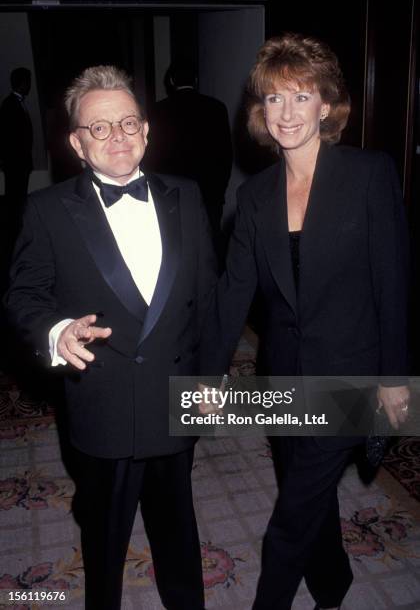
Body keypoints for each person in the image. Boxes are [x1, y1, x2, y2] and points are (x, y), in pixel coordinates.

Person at [200, 33, 410, 610]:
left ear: (326, 104)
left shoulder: (369, 174)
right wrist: (211, 376)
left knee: (289, 518)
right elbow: (232, 293)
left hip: (351, 374)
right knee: (309, 496)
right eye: (273, 99)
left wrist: (396, 377)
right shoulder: (257, 195)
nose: (286, 113)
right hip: (284, 373)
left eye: (300, 96)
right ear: (260, 111)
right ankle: (334, 586)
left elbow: (393, 281)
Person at [4, 65, 217, 610]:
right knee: (104, 534)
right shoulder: (46, 210)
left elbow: (206, 299)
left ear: (146, 130)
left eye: (128, 122)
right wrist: (56, 330)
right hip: (103, 403)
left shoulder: (187, 196)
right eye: (99, 128)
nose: (118, 136)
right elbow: (23, 296)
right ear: (76, 141)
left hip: (177, 396)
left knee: (178, 523)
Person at [144, 59, 233, 261]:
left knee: (173, 248)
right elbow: (225, 155)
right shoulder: (216, 108)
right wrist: (219, 191)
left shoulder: (157, 111)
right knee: (210, 248)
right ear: (196, 79)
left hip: (169, 192)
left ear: (172, 81)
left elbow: (151, 157)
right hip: (209, 192)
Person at [0, 67, 33, 224]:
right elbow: (7, 137)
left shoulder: (17, 103)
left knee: (18, 195)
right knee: (14, 195)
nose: (30, 85)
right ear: (22, 83)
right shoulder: (9, 105)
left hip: (20, 162)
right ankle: (13, 224)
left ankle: (17, 221)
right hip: (15, 163)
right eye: (28, 81)